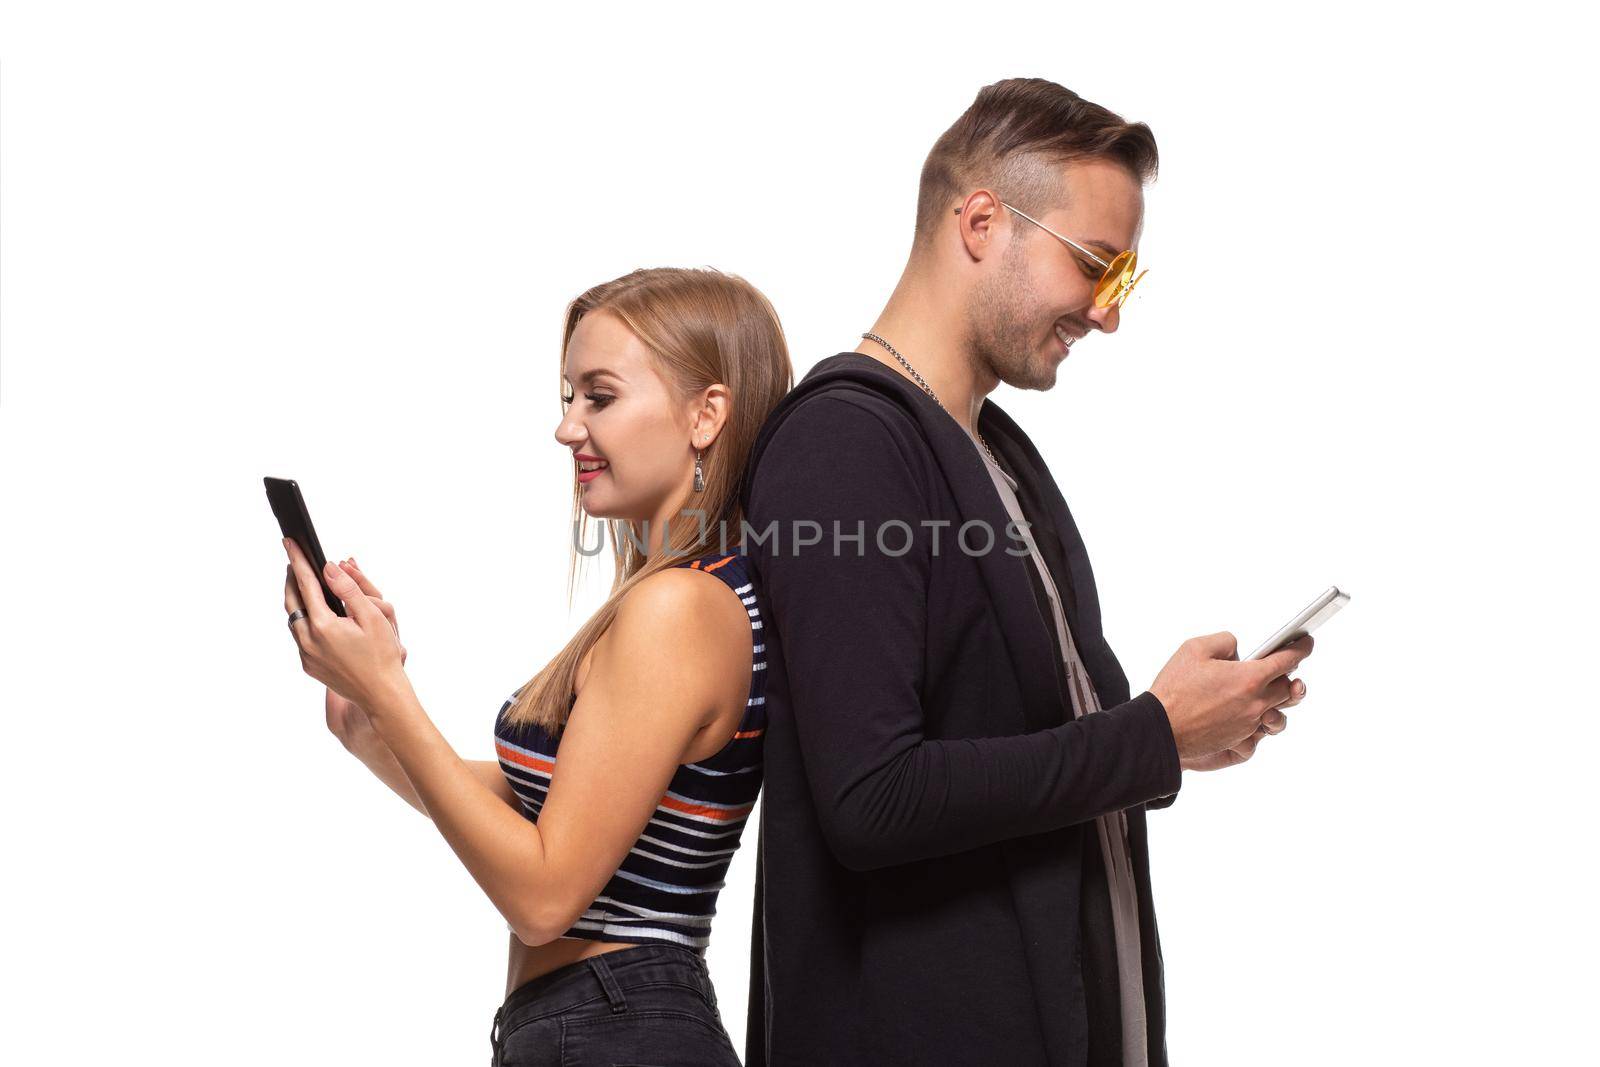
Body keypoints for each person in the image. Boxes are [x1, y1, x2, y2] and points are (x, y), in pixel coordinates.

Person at [737, 79, 1315, 1066]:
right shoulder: (844, 445)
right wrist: (1149, 737)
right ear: (978, 223)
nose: (1107, 312)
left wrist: (1176, 732)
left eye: (1126, 279)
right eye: (1095, 265)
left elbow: (1034, 757)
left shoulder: (999, 454)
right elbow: (870, 795)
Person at [278, 266, 793, 1066]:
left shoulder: (682, 611)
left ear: (706, 414)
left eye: (600, 396)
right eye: (567, 398)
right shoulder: (677, 597)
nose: (567, 429)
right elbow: (543, 820)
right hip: (591, 1024)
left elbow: (546, 895)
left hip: (621, 1025)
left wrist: (390, 688)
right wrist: (370, 715)